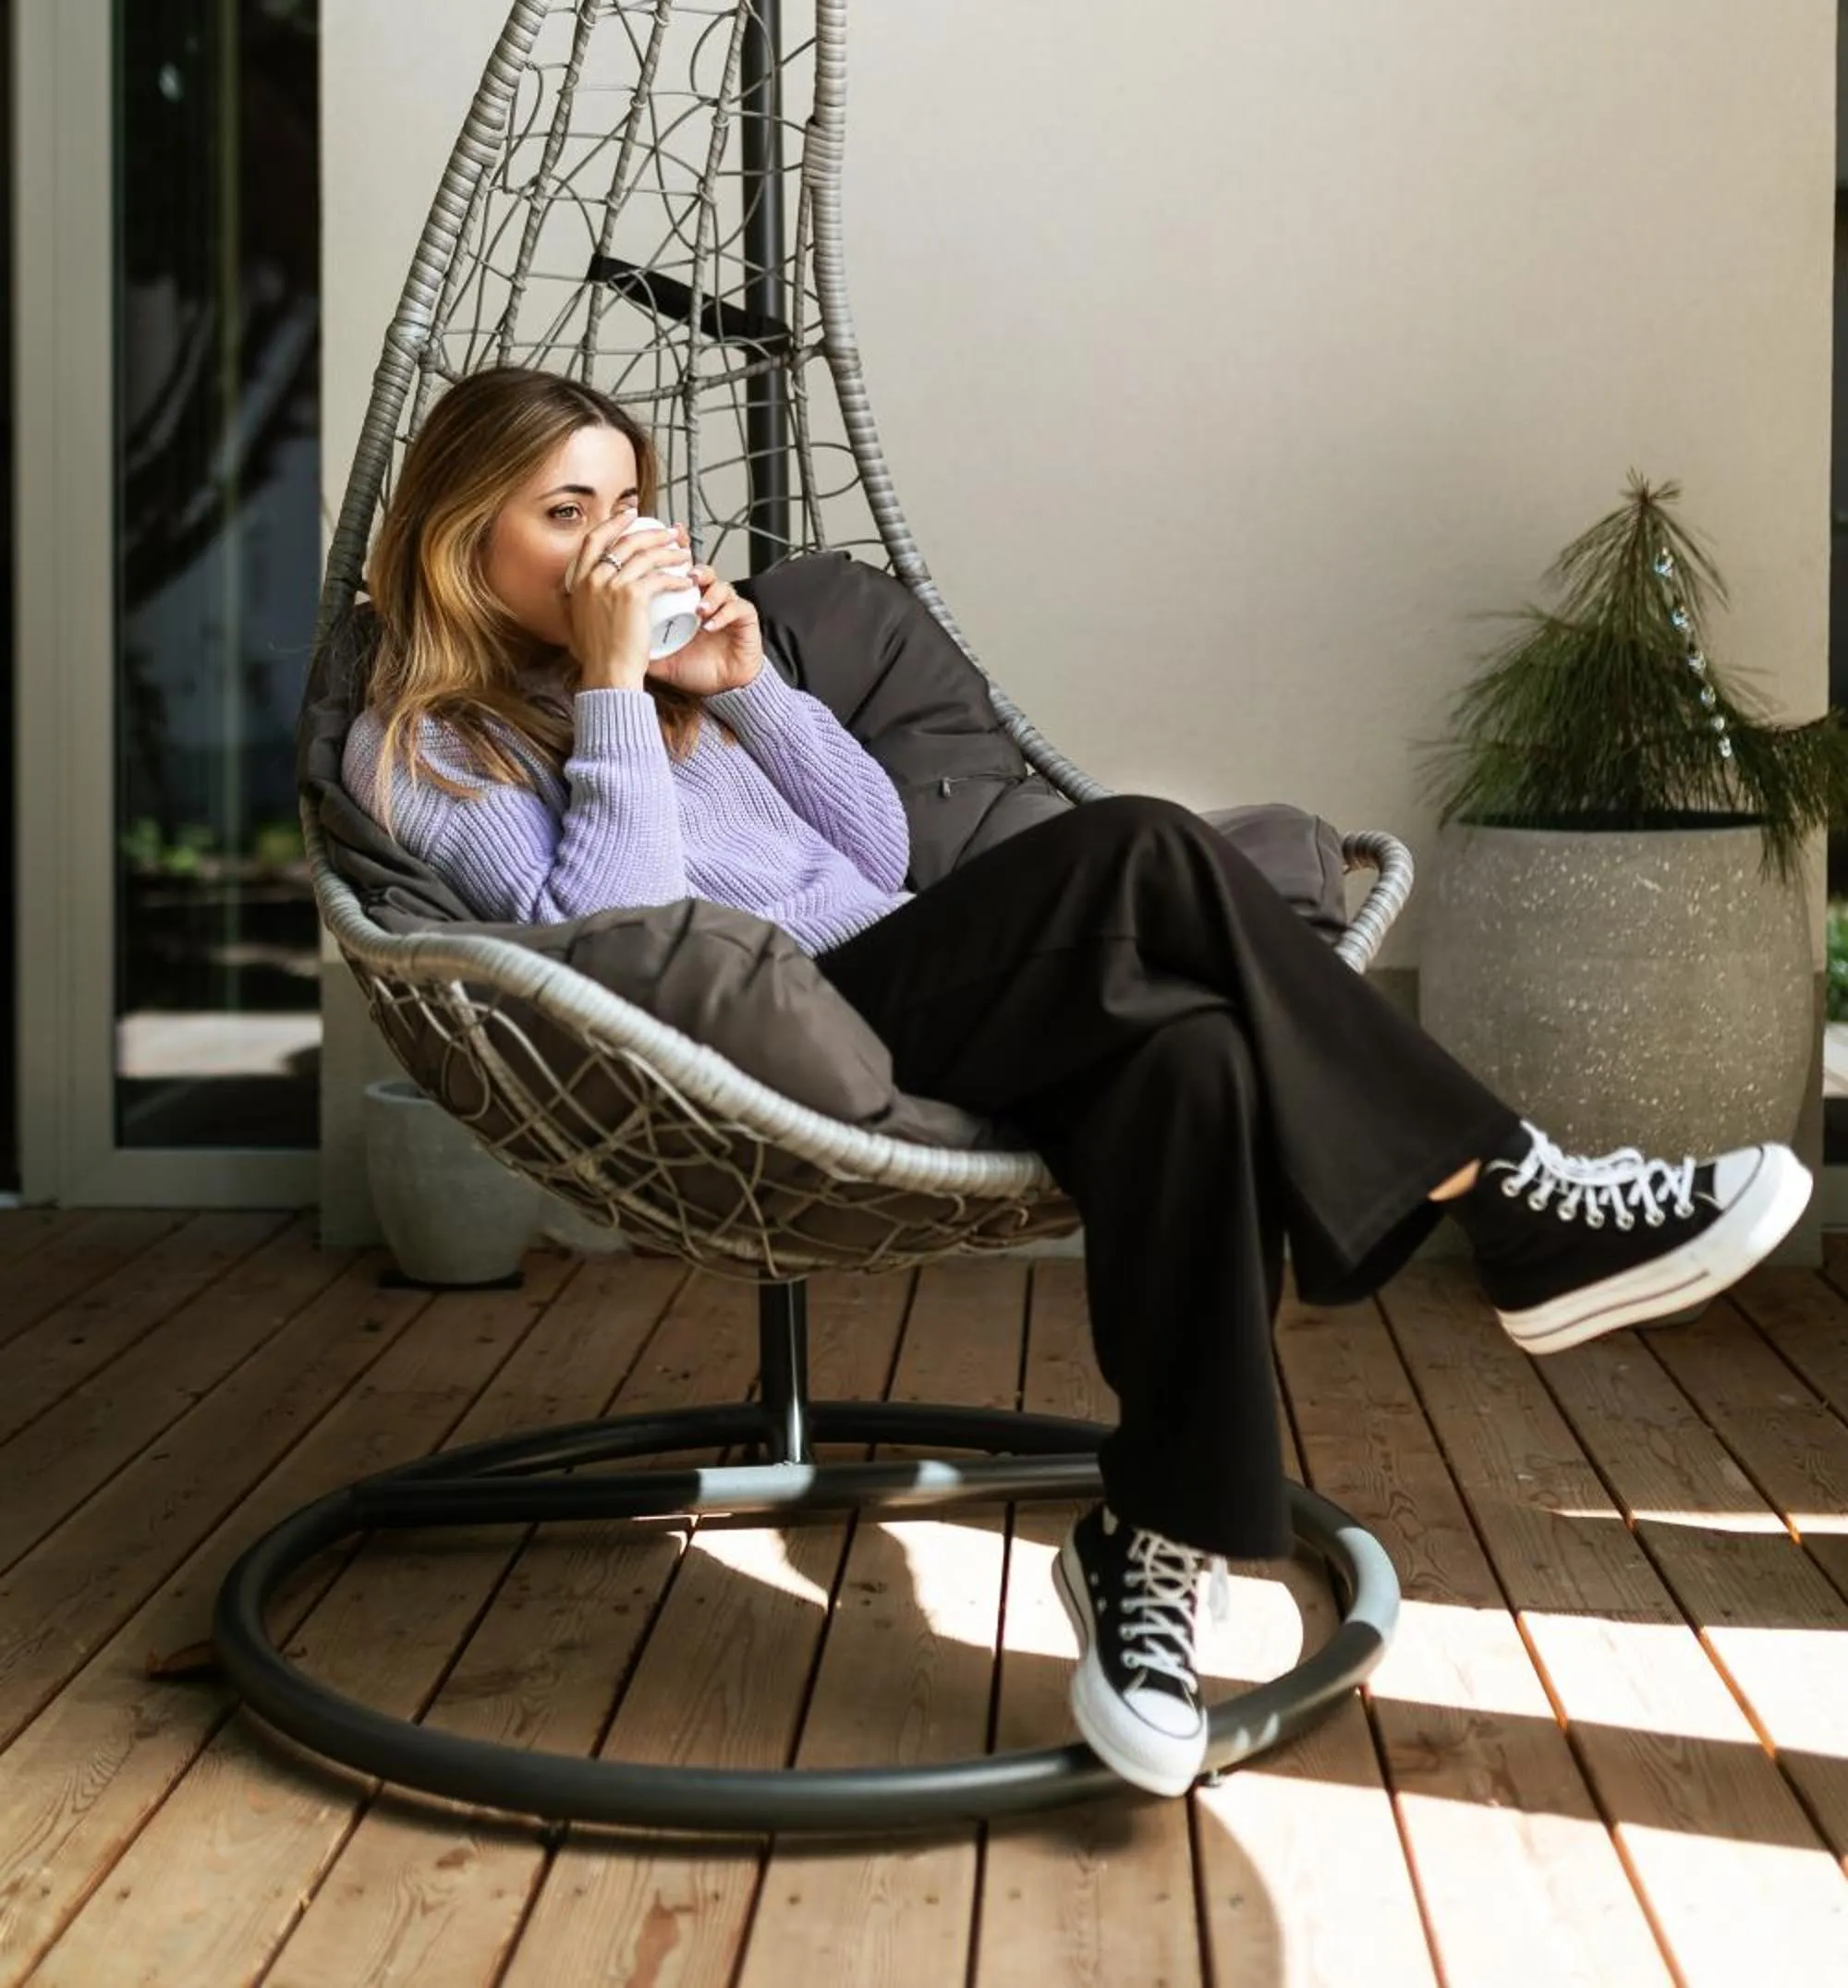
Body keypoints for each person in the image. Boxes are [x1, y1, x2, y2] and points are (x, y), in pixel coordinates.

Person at [344, 364, 1812, 1800]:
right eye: (563, 511)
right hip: (760, 1043)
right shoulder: (420, 748)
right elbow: (620, 928)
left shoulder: (675, 696)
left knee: (1195, 1056)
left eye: (628, 504)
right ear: (461, 537)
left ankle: (1154, 1544)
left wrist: (743, 694)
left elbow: (876, 858)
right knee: (1144, 845)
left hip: (914, 987)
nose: (611, 539)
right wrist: (609, 685)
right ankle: (1507, 1184)